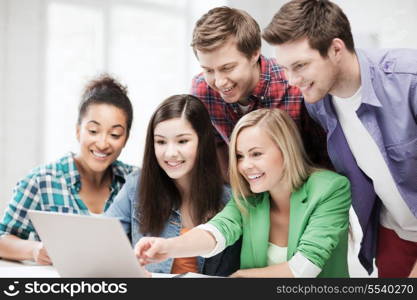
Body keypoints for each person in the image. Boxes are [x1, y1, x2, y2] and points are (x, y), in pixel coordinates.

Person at [262, 0, 417, 277]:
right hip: (394, 234)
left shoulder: (409, 81)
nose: (291, 80)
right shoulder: (317, 103)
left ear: (336, 49)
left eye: (300, 65)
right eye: (284, 68)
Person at [135, 108, 351, 278]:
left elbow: (305, 268)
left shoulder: (330, 189)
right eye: (239, 156)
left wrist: (240, 279)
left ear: (286, 151)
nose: (245, 166)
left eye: (256, 154)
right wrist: (168, 247)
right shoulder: (250, 198)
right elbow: (216, 232)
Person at [0, 75, 136, 265]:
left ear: (126, 138)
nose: (103, 143)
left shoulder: (135, 182)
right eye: (93, 131)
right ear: (78, 131)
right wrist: (34, 250)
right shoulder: (42, 181)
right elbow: (3, 237)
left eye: (114, 134)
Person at [105, 94, 240, 276]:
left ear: (202, 142)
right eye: (161, 141)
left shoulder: (229, 200)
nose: (170, 153)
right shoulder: (136, 186)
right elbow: (102, 243)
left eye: (182, 141)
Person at [190, 6, 330, 180]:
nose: (219, 82)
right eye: (209, 70)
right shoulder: (203, 91)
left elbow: (326, 156)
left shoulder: (296, 85)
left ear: (254, 54)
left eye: (228, 68)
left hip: (307, 188)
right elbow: (216, 144)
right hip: (249, 192)